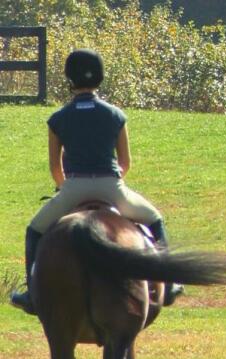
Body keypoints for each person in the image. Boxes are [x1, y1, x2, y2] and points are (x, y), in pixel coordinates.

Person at [10, 49, 183, 314]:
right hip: (111, 188)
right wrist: (110, 182)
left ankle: (32, 295)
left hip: (73, 189)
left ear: (70, 79)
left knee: (34, 230)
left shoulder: (57, 118)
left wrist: (64, 187)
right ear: (100, 78)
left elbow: (55, 168)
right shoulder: (115, 115)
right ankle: (169, 285)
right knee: (155, 219)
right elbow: (125, 163)